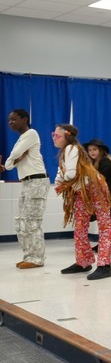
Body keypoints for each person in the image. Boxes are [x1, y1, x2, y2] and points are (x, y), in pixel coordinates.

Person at [52, 125, 111, 280]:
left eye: (57, 135)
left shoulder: (71, 149)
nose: (53, 137)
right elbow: (60, 177)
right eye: (53, 134)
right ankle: (83, 261)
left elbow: (69, 175)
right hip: (83, 191)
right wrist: (64, 178)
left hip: (95, 188)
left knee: (104, 225)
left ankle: (105, 265)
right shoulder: (65, 153)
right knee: (80, 225)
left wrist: (64, 178)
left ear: (67, 137)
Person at [3, 109, 48, 269]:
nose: (11, 123)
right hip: (27, 182)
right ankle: (29, 256)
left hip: (37, 181)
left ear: (25, 119)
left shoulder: (31, 133)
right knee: (21, 222)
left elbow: (14, 154)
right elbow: (8, 164)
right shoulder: (21, 138)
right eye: (9, 120)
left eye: (14, 119)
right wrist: (14, 160)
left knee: (32, 221)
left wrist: (14, 159)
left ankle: (37, 259)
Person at [85, 138, 111, 217]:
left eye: (94, 149)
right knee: (107, 219)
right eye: (90, 150)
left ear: (101, 150)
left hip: (108, 195)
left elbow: (98, 179)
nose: (92, 152)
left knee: (109, 220)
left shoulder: (105, 162)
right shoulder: (95, 162)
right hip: (104, 194)